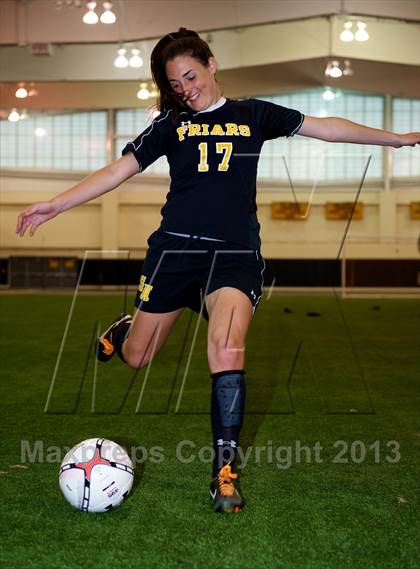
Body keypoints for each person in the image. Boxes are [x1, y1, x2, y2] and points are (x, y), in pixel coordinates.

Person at [16, 28, 419, 513]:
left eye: (190, 75)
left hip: (233, 255)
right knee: (138, 357)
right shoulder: (169, 125)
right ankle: (125, 332)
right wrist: (55, 205)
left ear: (211, 63)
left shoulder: (254, 114)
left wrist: (394, 138)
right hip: (174, 254)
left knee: (227, 348)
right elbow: (116, 171)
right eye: (175, 82)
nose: (185, 87)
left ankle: (223, 474)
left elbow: (326, 126)